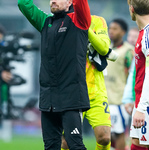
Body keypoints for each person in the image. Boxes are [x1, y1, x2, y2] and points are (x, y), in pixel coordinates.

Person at [18, 0, 91, 149]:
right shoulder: (45, 22)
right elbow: (23, 4)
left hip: (71, 98)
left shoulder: (79, 20)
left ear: (70, 2)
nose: (53, 1)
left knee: (75, 145)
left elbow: (81, 3)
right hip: (48, 99)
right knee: (50, 146)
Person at [61, 14, 120, 150]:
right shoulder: (62, 22)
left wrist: (84, 28)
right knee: (66, 143)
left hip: (96, 92)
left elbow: (104, 48)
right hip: (72, 93)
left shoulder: (98, 21)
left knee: (105, 138)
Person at [128, 0, 149, 149]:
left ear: (132, 9)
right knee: (136, 140)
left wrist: (141, 108)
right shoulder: (147, 31)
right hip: (142, 99)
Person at [104, 18, 134, 150]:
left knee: (119, 133)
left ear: (123, 32)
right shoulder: (105, 49)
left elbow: (132, 76)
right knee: (106, 135)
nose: (111, 31)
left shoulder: (129, 51)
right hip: (104, 99)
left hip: (119, 100)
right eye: (110, 28)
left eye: (115, 29)